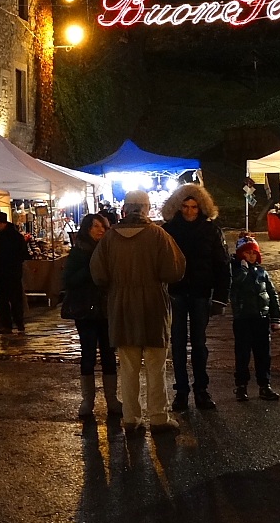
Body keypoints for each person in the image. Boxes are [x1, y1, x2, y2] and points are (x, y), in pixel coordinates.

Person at [90, 190, 186, 434]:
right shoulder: (158, 235)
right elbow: (174, 271)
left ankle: (131, 418)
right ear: (146, 208)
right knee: (156, 365)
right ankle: (158, 417)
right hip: (153, 306)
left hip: (121, 306)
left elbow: (98, 273)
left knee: (128, 366)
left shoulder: (109, 238)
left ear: (125, 209)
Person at [160, 184, 230, 412]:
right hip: (176, 292)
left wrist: (220, 297)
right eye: (185, 206)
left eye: (194, 207)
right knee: (178, 343)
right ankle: (181, 391)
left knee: (199, 343)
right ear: (178, 207)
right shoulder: (168, 230)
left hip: (200, 293)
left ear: (201, 208)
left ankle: (201, 389)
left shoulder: (211, 231)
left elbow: (222, 265)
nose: (190, 211)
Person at [61, 213, 122, 418]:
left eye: (103, 226)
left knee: (109, 354)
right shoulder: (79, 252)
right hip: (85, 310)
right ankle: (87, 400)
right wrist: (91, 268)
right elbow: (68, 280)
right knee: (87, 354)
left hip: (106, 311)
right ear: (87, 229)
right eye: (95, 226)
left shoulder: (111, 250)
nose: (100, 230)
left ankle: (112, 399)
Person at [229, 235, 280, 402]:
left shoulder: (262, 272)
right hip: (243, 318)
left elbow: (271, 294)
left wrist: (276, 317)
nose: (251, 256)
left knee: (263, 354)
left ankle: (264, 384)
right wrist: (243, 270)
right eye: (247, 253)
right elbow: (234, 286)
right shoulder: (235, 271)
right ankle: (241, 385)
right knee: (242, 353)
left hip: (261, 318)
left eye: (254, 253)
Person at [0, 211, 29, 334]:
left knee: (15, 299)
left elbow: (22, 253)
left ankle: (19, 323)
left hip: (12, 273)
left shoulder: (14, 236)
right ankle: (6, 325)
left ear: (4, 223)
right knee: (2, 301)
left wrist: (13, 264)